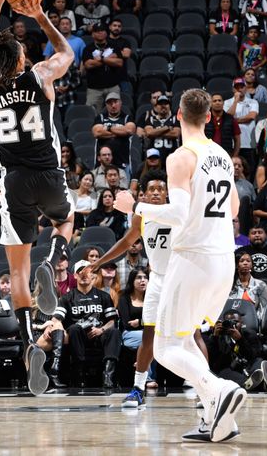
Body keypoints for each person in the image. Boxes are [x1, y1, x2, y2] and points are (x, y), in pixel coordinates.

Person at [113, 88, 242, 443]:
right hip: (224, 260)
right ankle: (218, 422)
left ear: (178, 117)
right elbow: (233, 210)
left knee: (165, 348)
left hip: (194, 259)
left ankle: (218, 389)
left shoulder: (182, 157)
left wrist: (134, 207)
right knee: (183, 341)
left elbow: (180, 213)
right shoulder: (222, 155)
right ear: (210, 118)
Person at [0, 0, 76, 396]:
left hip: (12, 181)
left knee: (17, 271)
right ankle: (54, 261)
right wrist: (39, 16)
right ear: (20, 59)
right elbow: (66, 51)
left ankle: (29, 340)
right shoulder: (40, 76)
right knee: (67, 218)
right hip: (49, 172)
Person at [89, 170, 170, 406]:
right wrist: (99, 262)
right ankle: (137, 388)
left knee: (191, 336)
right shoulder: (141, 218)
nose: (156, 193)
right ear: (144, 194)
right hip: (157, 280)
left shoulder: (176, 213)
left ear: (167, 193)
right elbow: (125, 242)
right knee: (149, 336)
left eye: (160, 189)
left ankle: (202, 388)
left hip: (178, 280)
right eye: (151, 189)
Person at [53, 260, 121, 389]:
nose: (84, 275)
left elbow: (112, 321)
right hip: (78, 337)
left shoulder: (104, 296)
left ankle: (108, 375)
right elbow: (57, 318)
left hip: (99, 334)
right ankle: (80, 374)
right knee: (73, 329)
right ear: (75, 276)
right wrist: (58, 328)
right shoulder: (66, 298)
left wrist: (101, 329)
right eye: (80, 272)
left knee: (114, 332)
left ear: (94, 276)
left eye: (87, 272)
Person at [205, 309, 267, 392]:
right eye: (228, 322)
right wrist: (215, 337)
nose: (232, 325)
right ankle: (254, 383)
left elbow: (254, 355)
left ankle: (255, 382)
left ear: (241, 323)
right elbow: (213, 361)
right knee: (222, 372)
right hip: (230, 369)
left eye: (235, 322)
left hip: (247, 367)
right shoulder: (218, 337)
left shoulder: (249, 334)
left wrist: (240, 340)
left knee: (259, 361)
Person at [228, 250, 267, 318]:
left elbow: (264, 309)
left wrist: (256, 323)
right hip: (233, 320)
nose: (245, 263)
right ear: (236, 265)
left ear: (252, 265)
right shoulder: (230, 285)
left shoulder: (261, 285)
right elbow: (227, 307)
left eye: (248, 261)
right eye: (242, 261)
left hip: (254, 322)